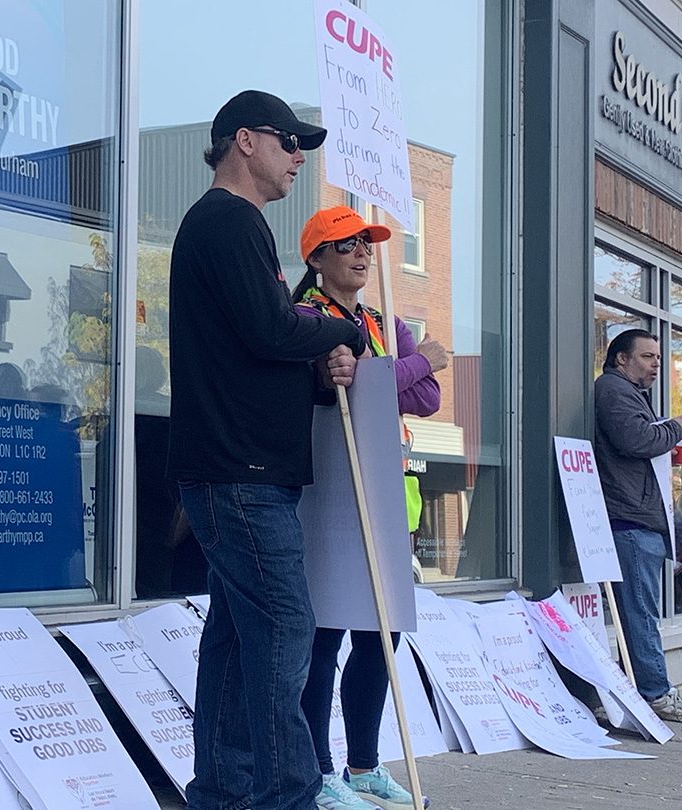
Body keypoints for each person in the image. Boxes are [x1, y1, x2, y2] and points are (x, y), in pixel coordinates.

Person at [168, 90, 367, 810]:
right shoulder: (227, 221)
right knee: (284, 630)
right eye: (290, 143)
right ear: (244, 141)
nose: (299, 159)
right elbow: (271, 331)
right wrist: (342, 335)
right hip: (240, 473)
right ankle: (286, 796)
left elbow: (264, 347)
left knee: (234, 640)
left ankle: (222, 793)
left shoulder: (230, 226)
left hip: (237, 470)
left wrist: (319, 365)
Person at [293, 206, 445, 810]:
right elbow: (341, 387)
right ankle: (319, 771)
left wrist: (381, 371)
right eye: (345, 244)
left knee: (382, 635)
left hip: (385, 494)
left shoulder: (383, 320)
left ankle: (362, 763)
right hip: (329, 492)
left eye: (367, 243)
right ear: (317, 258)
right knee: (324, 635)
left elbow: (428, 396)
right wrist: (410, 365)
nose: (362, 253)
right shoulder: (305, 315)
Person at [594, 328, 682, 723]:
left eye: (658, 357)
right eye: (647, 356)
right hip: (629, 523)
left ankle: (639, 692)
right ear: (621, 359)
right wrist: (675, 428)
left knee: (640, 612)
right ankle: (656, 693)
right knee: (640, 613)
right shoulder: (612, 390)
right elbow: (636, 440)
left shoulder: (629, 394)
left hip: (637, 520)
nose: (656, 363)